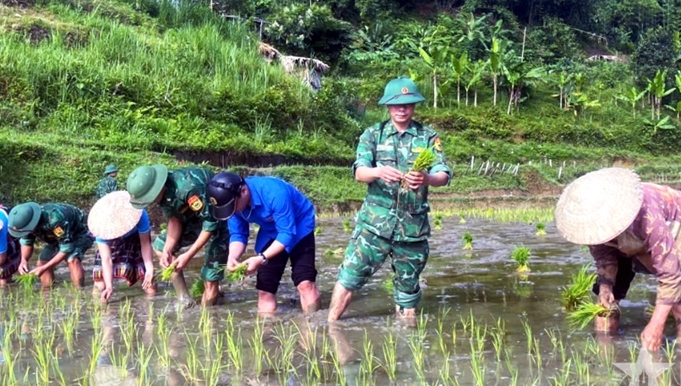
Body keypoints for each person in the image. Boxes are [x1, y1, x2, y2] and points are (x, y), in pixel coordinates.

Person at [327, 77, 451, 322]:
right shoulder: (373, 135)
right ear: (388, 106)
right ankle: (331, 328)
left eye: (407, 104)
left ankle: (406, 339)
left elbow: (443, 174)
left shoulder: (428, 137)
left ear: (414, 106)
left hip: (411, 230)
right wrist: (378, 172)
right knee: (348, 278)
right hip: (374, 226)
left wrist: (427, 179)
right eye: (396, 104)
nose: (401, 109)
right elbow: (359, 172)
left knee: (407, 293)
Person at [554, 167, 681, 351]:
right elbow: (603, 257)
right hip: (630, 233)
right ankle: (605, 356)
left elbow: (670, 275)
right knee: (605, 308)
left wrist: (656, 325)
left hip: (677, 222)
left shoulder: (649, 217)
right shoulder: (593, 225)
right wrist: (605, 288)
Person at [207, 171, 321, 314]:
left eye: (232, 206)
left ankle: (313, 323)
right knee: (265, 288)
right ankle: (267, 327)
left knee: (305, 283)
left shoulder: (275, 193)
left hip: (300, 225)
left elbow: (287, 234)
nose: (232, 211)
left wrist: (261, 258)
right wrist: (232, 257)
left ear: (243, 191)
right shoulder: (233, 204)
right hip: (270, 230)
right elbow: (238, 235)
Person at [126, 164, 229, 305]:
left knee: (210, 282)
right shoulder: (162, 194)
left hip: (218, 218)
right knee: (160, 247)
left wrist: (188, 255)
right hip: (193, 217)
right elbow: (174, 220)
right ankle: (185, 301)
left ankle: (210, 313)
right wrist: (167, 250)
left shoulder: (189, 188)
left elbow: (210, 224)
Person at [87, 191, 155, 302]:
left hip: (134, 239)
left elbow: (145, 244)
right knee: (101, 284)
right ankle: (100, 307)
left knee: (149, 281)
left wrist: (150, 269)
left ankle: (151, 304)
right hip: (111, 243)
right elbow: (106, 259)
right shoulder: (101, 229)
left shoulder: (139, 214)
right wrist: (109, 286)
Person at [7, 202, 94, 288]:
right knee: (42, 261)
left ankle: (79, 290)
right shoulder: (25, 225)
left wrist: (44, 268)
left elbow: (66, 248)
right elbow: (27, 242)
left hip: (80, 231)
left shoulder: (54, 219)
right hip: (58, 236)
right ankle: (47, 291)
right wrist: (23, 260)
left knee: (72, 259)